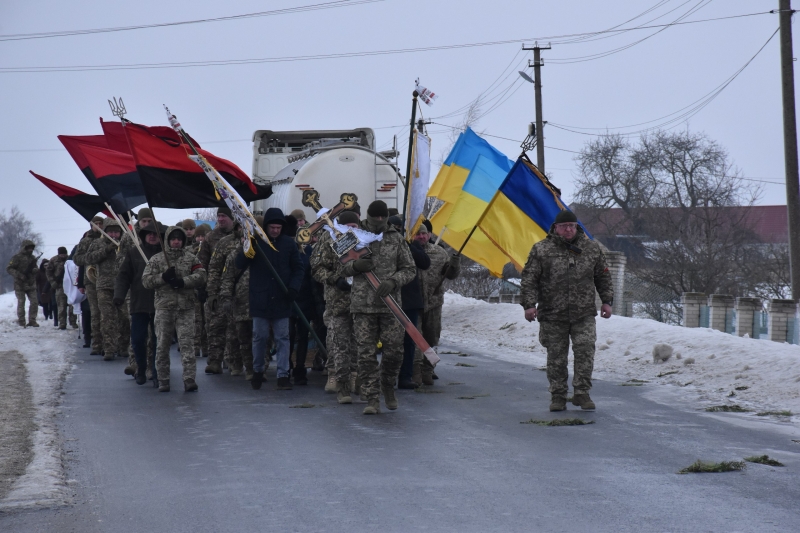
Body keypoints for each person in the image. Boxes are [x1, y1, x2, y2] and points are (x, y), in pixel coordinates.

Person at [520, 210, 614, 412]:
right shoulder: (542, 250)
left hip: (584, 313)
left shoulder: (591, 248)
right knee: (556, 357)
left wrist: (607, 301)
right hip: (553, 314)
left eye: (572, 225)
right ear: (556, 228)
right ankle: (558, 396)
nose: (569, 229)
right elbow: (529, 279)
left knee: (585, 350)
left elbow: (603, 277)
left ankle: (582, 393)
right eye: (564, 226)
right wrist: (529, 304)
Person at [341, 201, 415, 414]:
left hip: (390, 306)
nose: (380, 221)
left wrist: (394, 281)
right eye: (376, 218)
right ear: (368, 216)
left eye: (383, 218)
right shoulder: (352, 236)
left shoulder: (396, 239)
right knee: (365, 354)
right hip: (363, 306)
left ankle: (387, 385)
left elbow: (409, 269)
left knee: (394, 351)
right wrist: (355, 266)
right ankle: (372, 399)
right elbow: (339, 267)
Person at [236, 208, 304, 391]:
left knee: (283, 337)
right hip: (260, 298)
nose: (275, 230)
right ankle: (258, 371)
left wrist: (293, 288)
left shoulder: (289, 245)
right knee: (260, 336)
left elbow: (298, 269)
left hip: (282, 298)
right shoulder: (257, 242)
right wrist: (247, 248)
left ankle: (283, 375)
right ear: (266, 227)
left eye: (278, 227)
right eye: (272, 227)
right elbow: (239, 263)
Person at [142, 226, 207, 392]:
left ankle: (189, 378)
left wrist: (184, 281)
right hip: (165, 308)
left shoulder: (191, 258)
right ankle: (163, 379)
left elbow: (201, 275)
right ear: (168, 240)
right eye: (173, 239)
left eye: (179, 238)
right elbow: (146, 281)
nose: (176, 241)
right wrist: (163, 277)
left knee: (187, 344)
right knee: (162, 345)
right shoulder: (157, 259)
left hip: (185, 307)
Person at [310, 210, 362, 402]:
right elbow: (316, 267)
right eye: (347, 226)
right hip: (336, 300)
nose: (351, 230)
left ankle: (355, 376)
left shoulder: (365, 242)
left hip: (360, 301)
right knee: (336, 341)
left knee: (358, 341)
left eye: (354, 227)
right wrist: (334, 279)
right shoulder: (328, 240)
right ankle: (335, 376)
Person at [116, 223, 164, 385]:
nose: (152, 236)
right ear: (143, 235)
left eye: (155, 234)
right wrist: (119, 295)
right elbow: (123, 276)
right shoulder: (134, 253)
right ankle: (141, 369)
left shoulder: (166, 254)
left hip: (161, 304)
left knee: (159, 341)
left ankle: (157, 373)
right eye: (148, 233)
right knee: (137, 339)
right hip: (139, 303)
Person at [387, 216, 430, 390]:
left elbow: (424, 263)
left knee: (409, 339)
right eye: (394, 228)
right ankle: (386, 376)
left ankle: (405, 376)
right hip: (388, 298)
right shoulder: (380, 244)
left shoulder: (410, 245)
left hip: (408, 300)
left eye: (399, 228)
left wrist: (408, 244)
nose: (396, 231)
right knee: (388, 340)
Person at [415, 221, 461, 385]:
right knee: (416, 339)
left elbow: (450, 275)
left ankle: (428, 369)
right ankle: (416, 372)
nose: (421, 236)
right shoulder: (408, 252)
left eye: (424, 233)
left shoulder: (439, 253)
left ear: (429, 235)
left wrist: (454, 265)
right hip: (414, 304)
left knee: (431, 337)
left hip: (434, 303)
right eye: (418, 234)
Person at [197, 208, 236, 374]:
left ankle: (233, 360)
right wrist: (204, 288)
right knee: (214, 326)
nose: (220, 219)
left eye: (224, 216)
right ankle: (215, 361)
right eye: (219, 216)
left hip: (237, 288)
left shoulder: (241, 235)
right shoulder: (210, 238)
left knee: (235, 328)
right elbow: (202, 264)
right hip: (216, 288)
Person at [204, 215, 243, 375]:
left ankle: (236, 362)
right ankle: (215, 361)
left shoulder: (254, 243)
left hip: (244, 293)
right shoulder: (224, 243)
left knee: (237, 331)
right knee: (217, 327)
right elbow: (214, 268)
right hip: (223, 291)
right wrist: (212, 293)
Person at [85, 218, 127, 362]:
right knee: (107, 318)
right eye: (111, 232)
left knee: (125, 317)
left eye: (116, 232)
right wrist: (106, 250)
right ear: (106, 232)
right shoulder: (97, 243)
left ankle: (124, 347)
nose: (114, 235)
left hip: (122, 286)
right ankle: (109, 348)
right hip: (104, 286)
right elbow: (89, 258)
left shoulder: (125, 243)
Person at [219, 243, 254, 380]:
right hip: (240, 304)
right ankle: (248, 367)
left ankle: (258, 368)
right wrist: (226, 298)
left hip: (260, 304)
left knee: (261, 338)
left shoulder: (264, 252)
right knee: (242, 338)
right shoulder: (234, 255)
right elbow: (227, 278)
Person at [74, 216, 105, 355]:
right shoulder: (85, 241)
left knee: (108, 312)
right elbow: (78, 261)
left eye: (100, 224)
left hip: (107, 279)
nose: (98, 226)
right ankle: (96, 342)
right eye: (96, 224)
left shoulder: (108, 238)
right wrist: (81, 283)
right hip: (90, 280)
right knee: (94, 312)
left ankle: (109, 342)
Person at [6, 239, 40, 327]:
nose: (31, 250)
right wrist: (19, 275)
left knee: (34, 302)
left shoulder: (32, 258)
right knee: (21, 302)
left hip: (31, 283)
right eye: (29, 248)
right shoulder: (17, 257)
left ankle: (32, 320)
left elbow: (35, 267)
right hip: (19, 284)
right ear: (25, 248)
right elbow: (9, 268)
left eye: (32, 248)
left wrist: (35, 270)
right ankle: (21, 321)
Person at [46, 247, 75, 330]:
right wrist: (52, 282)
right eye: (61, 254)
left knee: (72, 305)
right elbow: (48, 272)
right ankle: (62, 323)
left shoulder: (70, 259)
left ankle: (73, 322)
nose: (63, 256)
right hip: (59, 286)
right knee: (61, 306)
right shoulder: (53, 260)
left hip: (70, 286)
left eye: (64, 254)